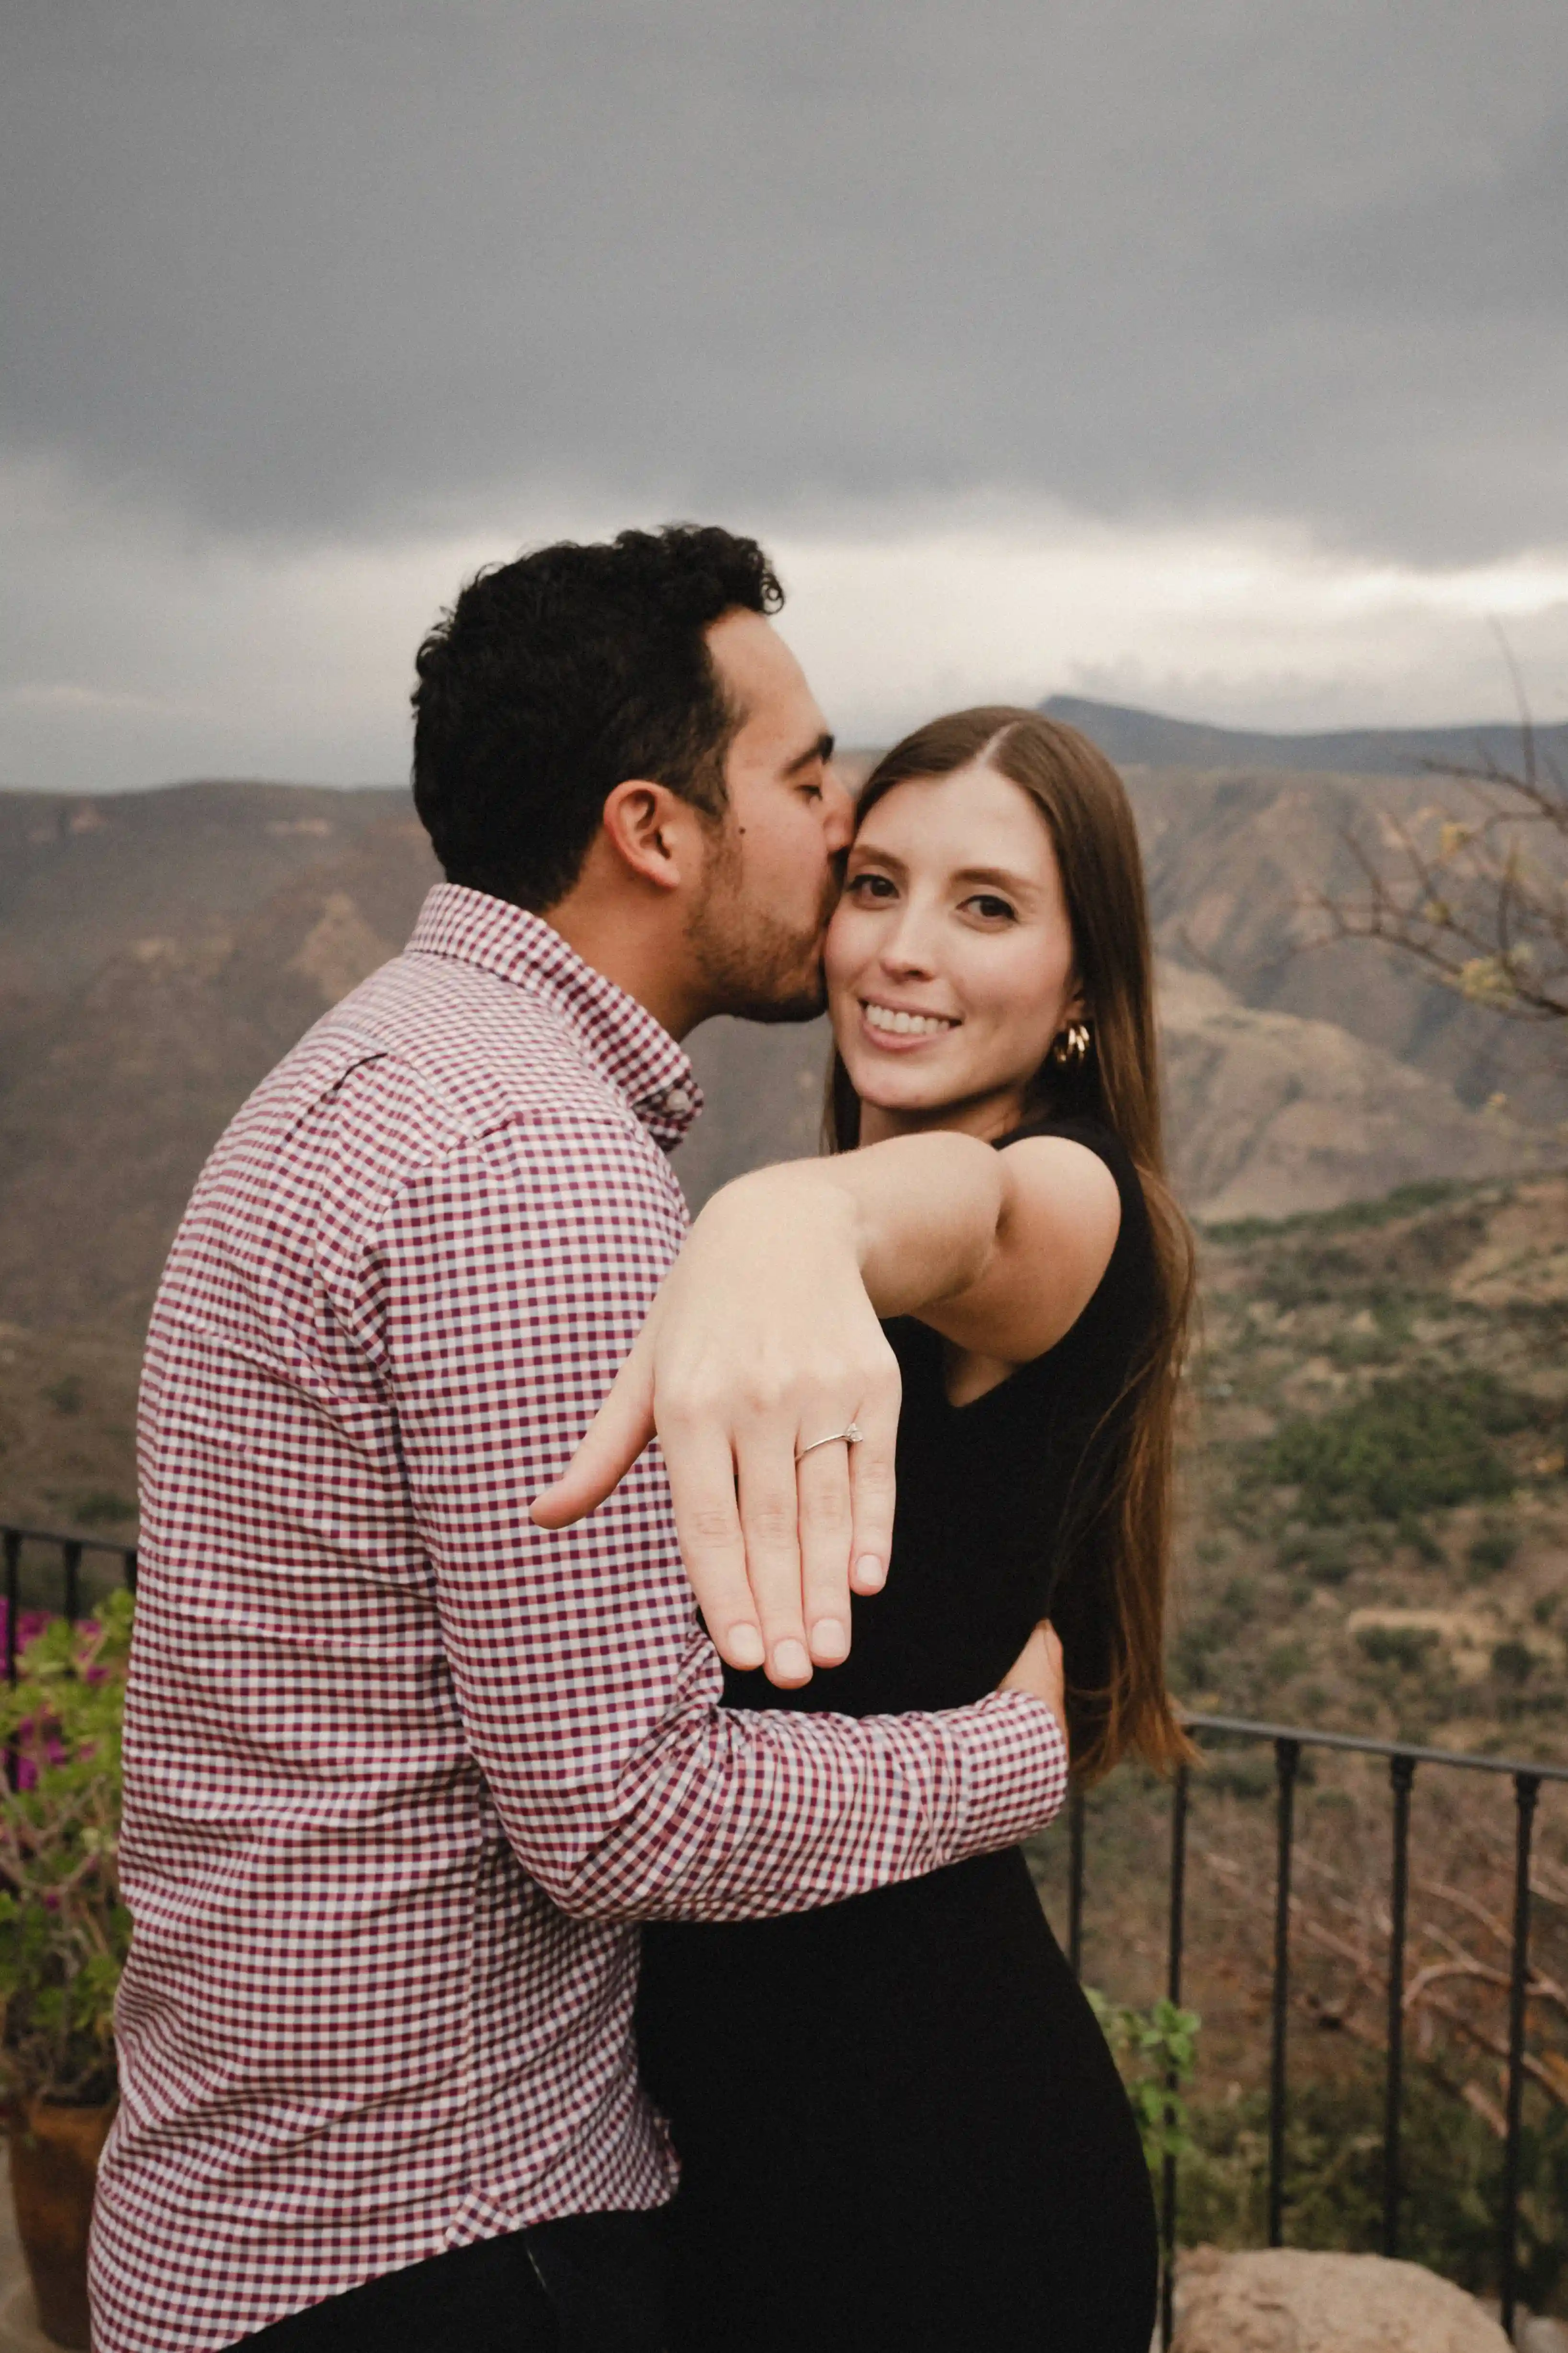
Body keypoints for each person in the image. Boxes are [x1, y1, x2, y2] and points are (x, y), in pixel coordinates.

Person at [89, 533, 1071, 2353]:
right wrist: (1012, 1756)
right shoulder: (533, 1167)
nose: (837, 824)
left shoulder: (380, 1059)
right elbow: (625, 1812)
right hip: (438, 2245)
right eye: (798, 777)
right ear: (654, 828)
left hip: (266, 2206)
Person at [562, 706, 1196, 2352]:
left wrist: (793, 1208)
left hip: (940, 2177)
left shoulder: (1070, 1206)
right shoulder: (839, 1265)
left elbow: (969, 1211)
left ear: (1079, 990)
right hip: (741, 2155)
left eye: (986, 907)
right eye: (877, 888)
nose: (905, 953)